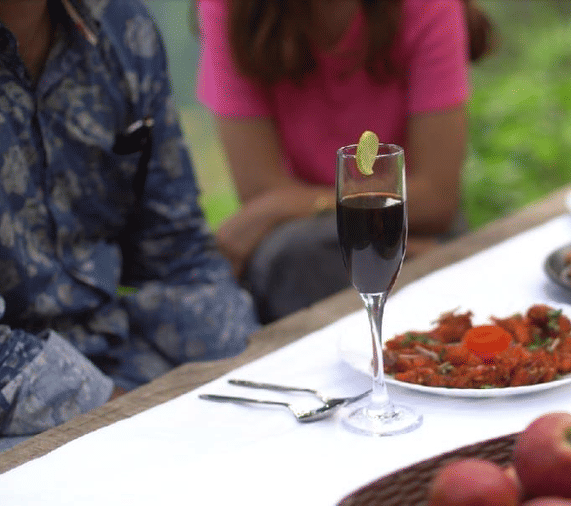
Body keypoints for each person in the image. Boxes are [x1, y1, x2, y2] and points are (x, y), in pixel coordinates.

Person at [0, 0, 260, 450]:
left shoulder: (121, 27)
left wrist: (250, 369)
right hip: (19, 407)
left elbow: (177, 249)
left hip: (119, 352)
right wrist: (121, 415)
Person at [195, 0, 493, 323]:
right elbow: (258, 190)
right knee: (293, 255)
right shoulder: (230, 10)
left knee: (291, 257)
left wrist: (287, 203)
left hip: (404, 226)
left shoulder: (428, 7)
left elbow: (435, 199)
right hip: (315, 238)